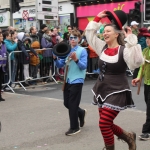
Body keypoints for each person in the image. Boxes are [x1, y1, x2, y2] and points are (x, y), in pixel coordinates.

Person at [85, 10, 144, 150]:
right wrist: (98, 17)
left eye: (108, 31)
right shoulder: (102, 47)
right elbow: (89, 34)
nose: (104, 33)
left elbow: (136, 62)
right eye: (103, 31)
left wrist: (130, 39)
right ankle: (128, 137)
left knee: (104, 123)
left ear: (117, 34)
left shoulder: (124, 50)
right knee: (107, 123)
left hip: (117, 90)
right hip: (102, 89)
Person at [53, 29, 87, 136]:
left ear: (79, 39)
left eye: (75, 38)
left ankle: (74, 127)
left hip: (77, 79)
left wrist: (76, 59)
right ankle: (81, 112)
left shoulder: (82, 50)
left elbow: (84, 66)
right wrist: (55, 59)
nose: (72, 40)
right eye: (71, 38)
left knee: (72, 104)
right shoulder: (67, 51)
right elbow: (60, 65)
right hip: (67, 80)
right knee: (66, 103)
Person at [132, 31, 150, 141]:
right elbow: (142, 68)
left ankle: (147, 131)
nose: (147, 40)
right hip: (147, 83)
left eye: (149, 38)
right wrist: (138, 78)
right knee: (148, 103)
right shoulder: (145, 50)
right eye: (147, 38)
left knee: (149, 107)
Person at [0, 32, 7, 101]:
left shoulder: (3, 45)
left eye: (2, 36)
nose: (2, 37)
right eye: (0, 36)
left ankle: (0, 95)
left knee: (0, 81)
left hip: (2, 66)